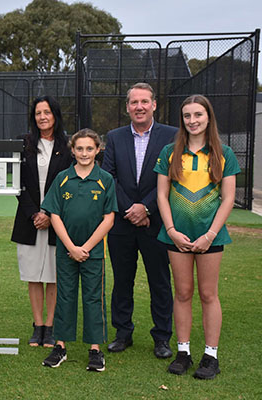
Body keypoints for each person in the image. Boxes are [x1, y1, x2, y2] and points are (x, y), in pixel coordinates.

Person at [155, 95, 239, 380]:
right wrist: (171, 231)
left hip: (210, 238)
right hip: (176, 236)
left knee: (207, 293)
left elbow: (228, 199)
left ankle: (211, 356)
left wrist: (210, 234)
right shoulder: (169, 151)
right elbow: (161, 196)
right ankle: (183, 352)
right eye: (187, 116)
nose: (192, 121)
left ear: (208, 117)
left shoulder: (224, 153)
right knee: (183, 293)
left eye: (198, 115)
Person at [102, 82, 176, 359]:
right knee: (122, 280)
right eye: (134, 102)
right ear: (127, 107)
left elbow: (171, 179)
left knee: (159, 281)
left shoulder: (172, 135)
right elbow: (109, 178)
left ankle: (162, 338)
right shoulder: (114, 136)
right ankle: (122, 333)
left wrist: (145, 209)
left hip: (156, 222)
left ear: (154, 104)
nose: (140, 107)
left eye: (145, 101)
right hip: (121, 224)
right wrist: (130, 210)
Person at [40, 129, 117, 372]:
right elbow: (54, 215)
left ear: (98, 150)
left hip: (93, 252)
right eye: (80, 149)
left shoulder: (105, 179)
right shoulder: (63, 178)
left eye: (89, 149)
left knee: (94, 298)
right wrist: (72, 247)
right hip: (66, 251)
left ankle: (95, 350)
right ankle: (60, 346)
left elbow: (109, 219)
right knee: (65, 296)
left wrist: (85, 247)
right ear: (72, 151)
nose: (84, 153)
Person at [11, 96, 72, 347]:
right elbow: (19, 184)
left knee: (54, 275)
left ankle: (51, 325)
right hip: (29, 221)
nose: (42, 117)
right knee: (34, 275)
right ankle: (38, 326)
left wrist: (49, 213)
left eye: (47, 112)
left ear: (55, 115)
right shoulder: (24, 144)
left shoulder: (68, 146)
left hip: (57, 219)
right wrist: (34, 214)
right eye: (38, 113)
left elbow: (69, 183)